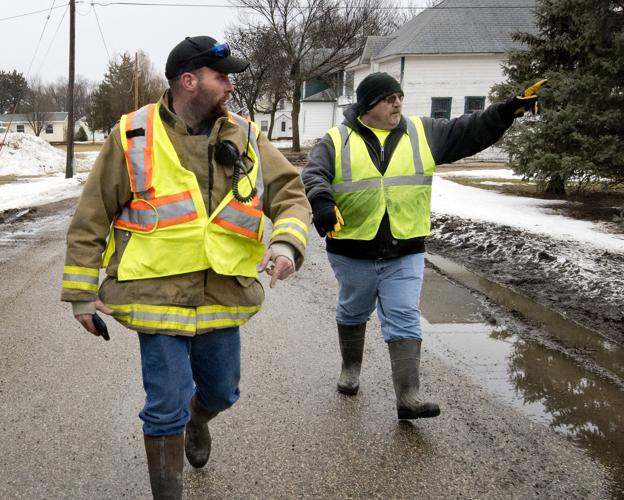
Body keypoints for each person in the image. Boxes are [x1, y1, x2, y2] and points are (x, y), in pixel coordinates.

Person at [61, 35, 311, 499]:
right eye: (222, 77)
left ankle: (200, 420)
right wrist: (80, 292)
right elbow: (92, 214)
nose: (231, 86)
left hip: (224, 294)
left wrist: (287, 246)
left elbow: (291, 196)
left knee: (221, 394)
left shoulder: (247, 135)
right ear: (190, 81)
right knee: (164, 406)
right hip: (155, 297)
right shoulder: (132, 136)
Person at [302, 72, 540, 420]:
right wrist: (322, 201)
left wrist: (508, 110)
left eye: (399, 96)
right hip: (353, 249)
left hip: (406, 248)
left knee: (403, 317)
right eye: (388, 98)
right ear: (368, 105)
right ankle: (350, 368)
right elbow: (314, 173)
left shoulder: (422, 132)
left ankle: (408, 397)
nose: (397, 103)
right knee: (353, 310)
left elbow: (468, 129)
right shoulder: (335, 140)